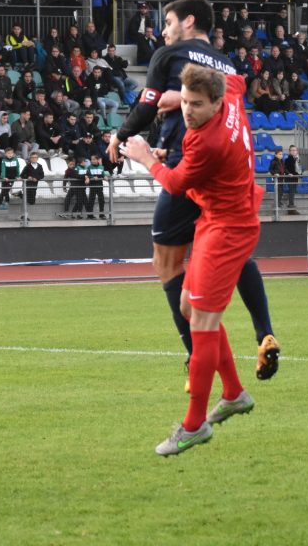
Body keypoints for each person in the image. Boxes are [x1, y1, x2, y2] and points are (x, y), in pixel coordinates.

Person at [109, 0, 281, 385]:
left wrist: (124, 138)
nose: (164, 30)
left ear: (188, 22)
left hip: (189, 167)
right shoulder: (229, 66)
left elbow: (147, 106)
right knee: (234, 251)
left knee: (167, 264)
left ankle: (195, 356)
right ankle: (263, 331)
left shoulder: (169, 55)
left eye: (167, 22)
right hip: (228, 170)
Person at [121, 65, 260, 457]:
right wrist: (170, 96)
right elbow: (236, 76)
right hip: (220, 218)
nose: (187, 110)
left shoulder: (208, 142)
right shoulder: (230, 91)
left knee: (201, 320)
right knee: (187, 304)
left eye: (196, 104)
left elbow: (177, 184)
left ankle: (193, 425)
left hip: (227, 229)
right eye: (184, 101)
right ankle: (233, 393)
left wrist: (146, 157)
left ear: (215, 102)